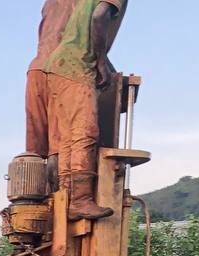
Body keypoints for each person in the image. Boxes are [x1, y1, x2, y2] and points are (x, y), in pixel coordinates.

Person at [25, 0, 128, 221]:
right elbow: (99, 17)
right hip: (75, 65)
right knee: (85, 132)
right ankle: (80, 200)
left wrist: (106, 66)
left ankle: (65, 198)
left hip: (51, 65)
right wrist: (100, 63)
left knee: (64, 141)